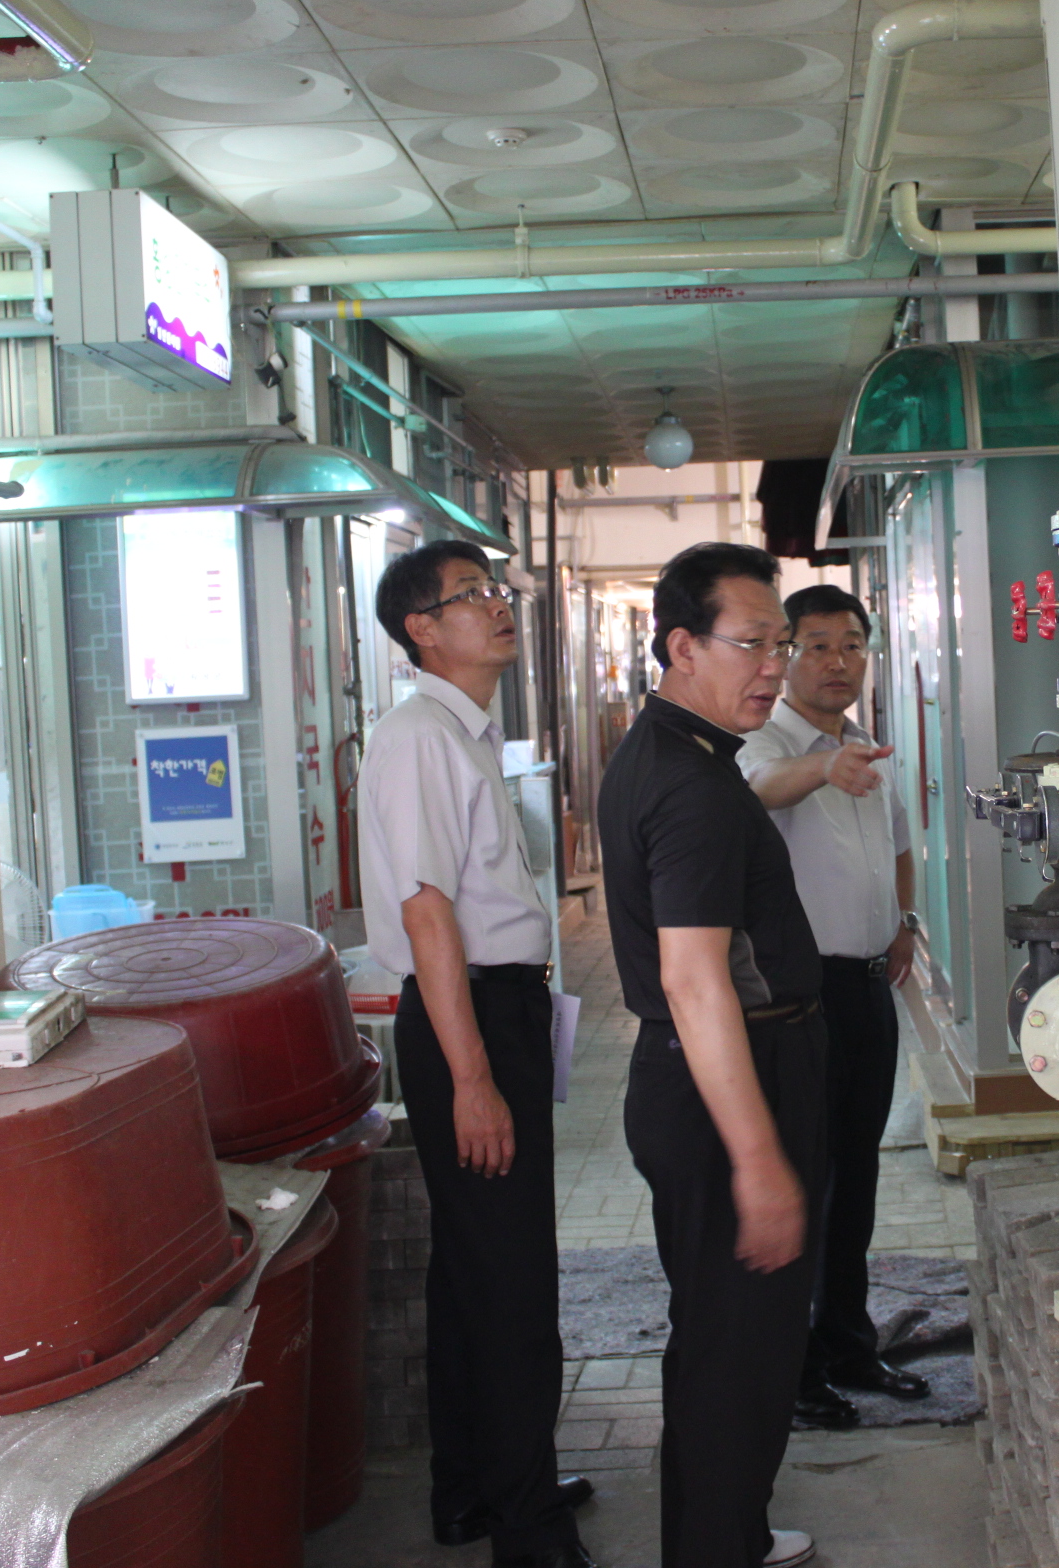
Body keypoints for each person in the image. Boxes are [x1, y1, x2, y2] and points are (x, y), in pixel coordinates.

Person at [358, 540, 593, 1568]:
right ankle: (528, 1530)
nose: (498, 606)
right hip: (472, 1020)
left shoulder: (462, 734)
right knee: (511, 1286)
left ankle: (475, 1489)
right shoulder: (420, 738)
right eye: (471, 595)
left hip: (492, 1011)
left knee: (471, 1274)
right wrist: (472, 1079)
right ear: (421, 629)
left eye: (497, 590)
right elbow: (427, 916)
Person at [596, 542, 826, 1568]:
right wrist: (758, 1157)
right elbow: (695, 982)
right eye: (753, 644)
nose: (774, 667)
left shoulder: (677, 753)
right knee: (741, 1347)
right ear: (682, 646)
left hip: (713, 1075)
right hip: (725, 1083)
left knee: (723, 1335)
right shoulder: (688, 786)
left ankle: (719, 1533)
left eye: (781, 644)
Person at [736, 585, 929, 1428]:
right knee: (806, 1178)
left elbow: (899, 845)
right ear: (785, 657)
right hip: (798, 999)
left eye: (852, 644)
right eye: (816, 645)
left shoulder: (865, 744)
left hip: (867, 989)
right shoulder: (763, 742)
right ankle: (794, 1366)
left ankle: (849, 1340)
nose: (838, 661)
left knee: (856, 1174)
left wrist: (903, 923)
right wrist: (822, 767)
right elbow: (762, 790)